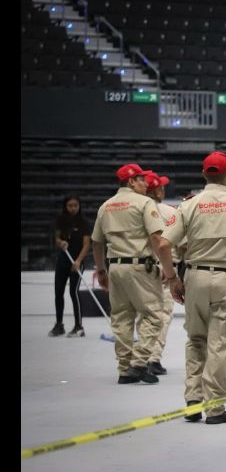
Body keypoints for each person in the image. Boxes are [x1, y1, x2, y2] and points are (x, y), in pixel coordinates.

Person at [157, 151, 226, 424]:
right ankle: (216, 408)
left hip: (195, 277)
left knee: (196, 340)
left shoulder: (189, 205)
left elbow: (163, 244)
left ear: (204, 174)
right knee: (219, 344)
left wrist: (173, 278)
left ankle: (193, 401)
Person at [91, 164, 166, 385]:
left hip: (115, 267)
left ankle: (124, 368)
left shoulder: (106, 206)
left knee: (121, 318)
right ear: (131, 181)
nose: (146, 183)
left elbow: (97, 242)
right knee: (153, 315)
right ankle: (139, 362)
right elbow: (156, 238)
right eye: (142, 179)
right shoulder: (144, 203)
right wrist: (165, 267)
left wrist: (101, 270)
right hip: (140, 266)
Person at [143, 171, 179, 376]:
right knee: (163, 313)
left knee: (143, 314)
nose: (163, 190)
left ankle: (139, 356)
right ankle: (153, 358)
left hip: (140, 268)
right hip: (164, 268)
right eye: (160, 187)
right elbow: (180, 241)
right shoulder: (168, 211)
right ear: (155, 190)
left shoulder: (134, 210)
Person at [50, 195, 92, 338]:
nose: (73, 208)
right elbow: (56, 238)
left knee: (74, 292)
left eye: (75, 205)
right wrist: (60, 243)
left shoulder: (84, 222)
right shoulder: (61, 219)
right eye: (70, 205)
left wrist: (79, 261)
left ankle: (79, 326)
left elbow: (87, 244)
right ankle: (59, 325)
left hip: (77, 262)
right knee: (58, 292)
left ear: (79, 206)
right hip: (63, 260)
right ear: (65, 206)